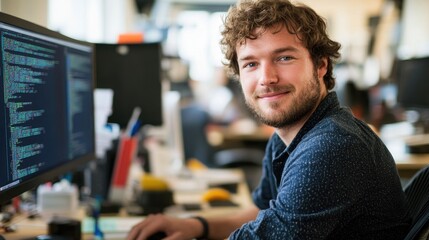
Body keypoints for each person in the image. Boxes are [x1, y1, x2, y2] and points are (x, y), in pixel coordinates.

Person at [127, 0, 411, 239]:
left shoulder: (333, 145)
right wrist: (195, 225)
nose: (267, 79)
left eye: (284, 58)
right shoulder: (287, 137)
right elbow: (261, 216)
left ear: (321, 65)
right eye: (251, 64)